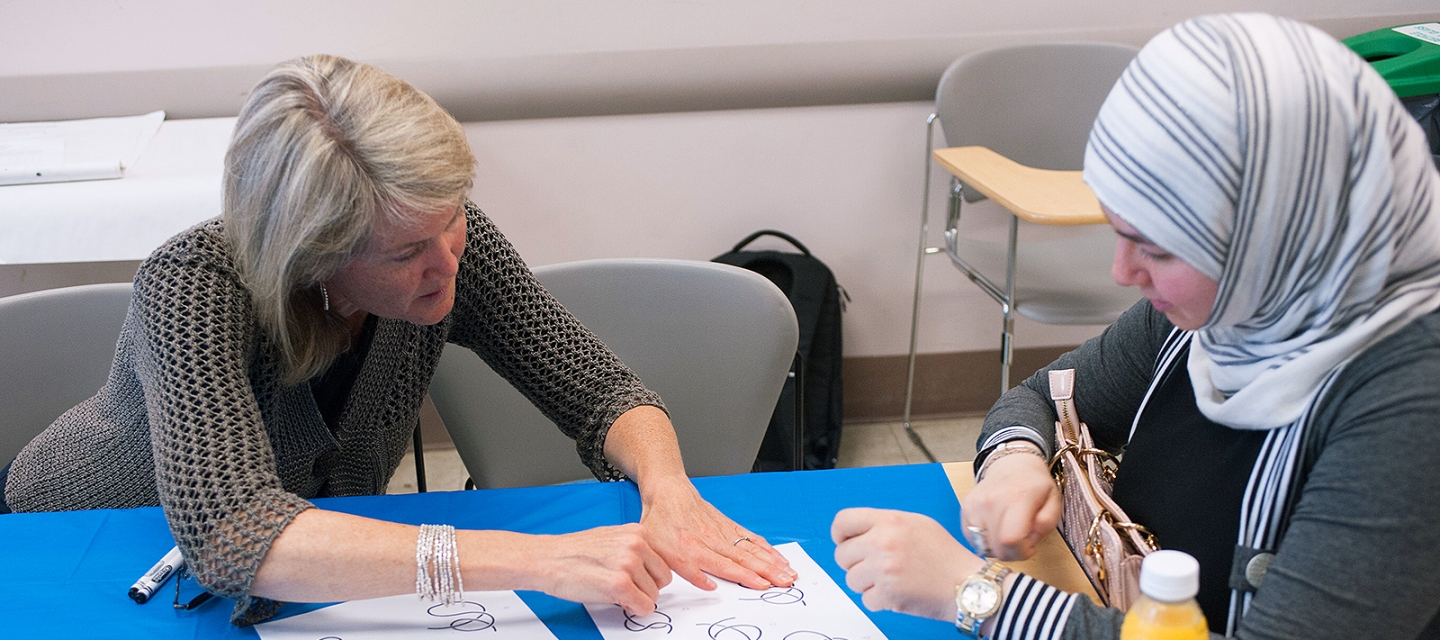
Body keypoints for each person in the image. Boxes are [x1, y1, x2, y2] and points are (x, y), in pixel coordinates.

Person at [0, 54, 795, 625]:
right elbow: (233, 532)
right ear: (313, 254)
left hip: (298, 566)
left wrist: (670, 492)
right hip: (82, 546)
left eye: (451, 218)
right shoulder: (194, 285)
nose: (446, 261)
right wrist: (546, 560)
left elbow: (599, 389)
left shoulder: (446, 242)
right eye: (407, 252)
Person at [832, 13, 1440, 639]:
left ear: (1277, 234)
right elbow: (1041, 397)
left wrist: (978, 595)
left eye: (1160, 249)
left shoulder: (1411, 409)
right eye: (1122, 234)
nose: (1124, 273)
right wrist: (1015, 460)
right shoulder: (1230, 310)